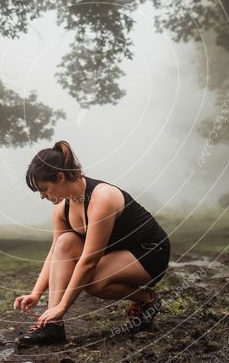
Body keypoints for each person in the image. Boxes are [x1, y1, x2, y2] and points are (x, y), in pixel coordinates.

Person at [14, 140, 171, 346]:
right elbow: (55, 253)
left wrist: (62, 306)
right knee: (65, 242)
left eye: (44, 189)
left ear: (60, 177)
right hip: (116, 252)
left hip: (149, 251)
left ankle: (147, 299)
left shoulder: (102, 198)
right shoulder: (62, 208)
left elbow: (89, 261)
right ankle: (53, 327)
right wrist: (36, 293)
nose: (43, 196)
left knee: (93, 281)